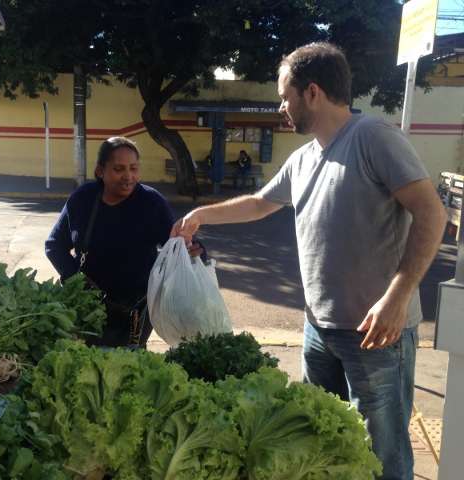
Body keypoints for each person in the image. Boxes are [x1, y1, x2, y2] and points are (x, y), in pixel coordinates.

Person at [171, 42, 447, 480]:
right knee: (322, 449)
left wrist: (398, 296)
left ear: (312, 92)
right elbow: (261, 204)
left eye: (285, 96)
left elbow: (432, 212)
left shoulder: (374, 137)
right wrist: (201, 216)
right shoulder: (303, 158)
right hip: (319, 331)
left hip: (376, 336)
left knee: (385, 458)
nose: (281, 106)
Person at [46, 136, 202, 349]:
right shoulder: (83, 199)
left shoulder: (151, 203)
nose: (128, 176)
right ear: (100, 171)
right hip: (87, 306)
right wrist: (76, 280)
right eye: (119, 169)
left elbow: (176, 242)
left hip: (136, 310)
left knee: (128, 365)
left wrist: (193, 248)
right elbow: (54, 245)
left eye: (134, 168)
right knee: (87, 361)